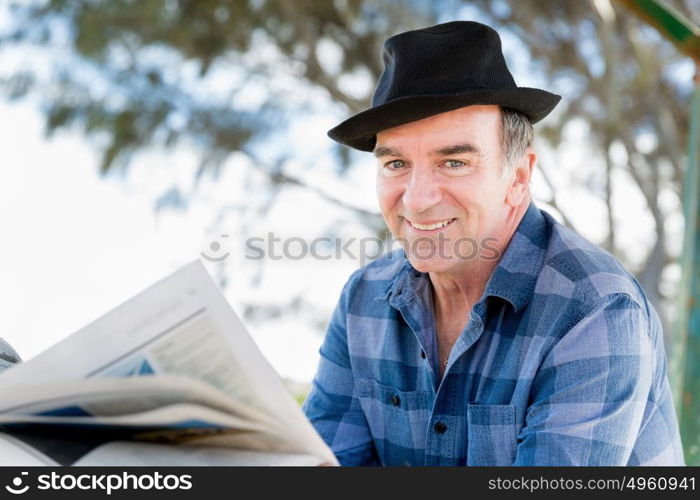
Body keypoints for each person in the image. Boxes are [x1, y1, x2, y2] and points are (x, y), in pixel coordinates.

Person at [302, 20, 684, 466]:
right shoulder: (362, 299)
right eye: (396, 164)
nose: (418, 199)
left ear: (518, 177)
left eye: (455, 162)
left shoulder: (595, 308)